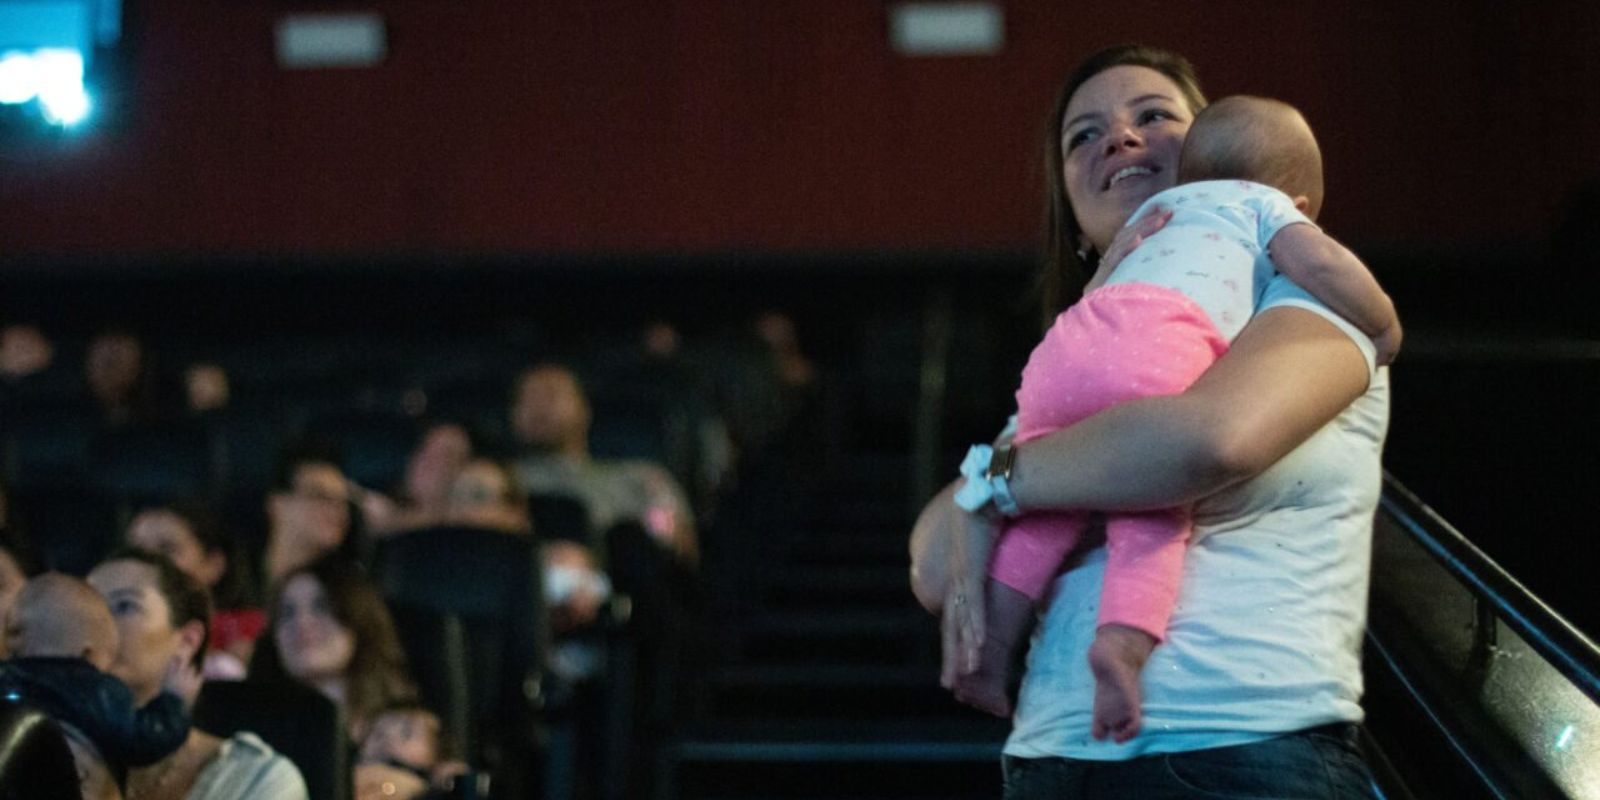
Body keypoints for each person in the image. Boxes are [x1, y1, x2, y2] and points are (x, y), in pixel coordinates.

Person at [910, 44, 1386, 799]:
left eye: (1155, 116)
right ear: (1071, 213)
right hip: (1049, 762)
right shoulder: (1075, 357)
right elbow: (937, 569)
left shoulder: (1298, 288)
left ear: (1214, 155)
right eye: (1084, 135)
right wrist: (1007, 481)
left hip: (1244, 751)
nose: (1120, 139)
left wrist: (996, 480)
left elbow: (1204, 442)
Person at [86, 548, 308, 800]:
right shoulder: (53, 757)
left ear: (187, 642)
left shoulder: (256, 779)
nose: (98, 624)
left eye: (124, 606)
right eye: (86, 611)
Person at [0, 573, 191, 780]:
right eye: (108, 656)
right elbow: (142, 739)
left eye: (124, 606)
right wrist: (174, 702)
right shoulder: (96, 689)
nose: (108, 669)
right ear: (87, 654)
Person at [509, 363, 698, 565]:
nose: (539, 407)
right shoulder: (499, 480)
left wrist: (651, 527)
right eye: (527, 398)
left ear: (584, 410)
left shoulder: (641, 478)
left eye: (550, 395)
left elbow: (674, 544)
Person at [250, 556, 416, 740]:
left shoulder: (410, 727)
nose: (302, 623)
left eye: (322, 607)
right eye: (287, 613)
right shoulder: (256, 737)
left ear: (359, 620)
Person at [125, 503, 263, 679]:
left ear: (213, 564)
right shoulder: (108, 632)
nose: (146, 562)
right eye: (136, 551)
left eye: (167, 548)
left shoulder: (252, 634)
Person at [360, 422, 474, 538]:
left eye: (445, 455)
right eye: (424, 449)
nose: (427, 460)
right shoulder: (378, 506)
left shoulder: (469, 526)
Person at [261, 452, 356, 588]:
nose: (337, 510)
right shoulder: (234, 580)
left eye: (343, 500)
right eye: (320, 496)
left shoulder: (345, 591)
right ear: (277, 505)